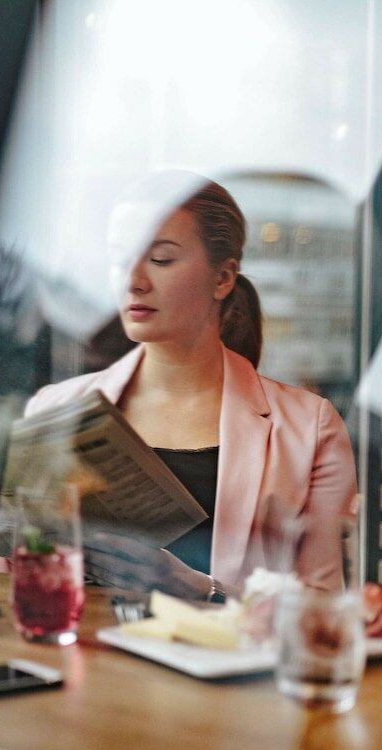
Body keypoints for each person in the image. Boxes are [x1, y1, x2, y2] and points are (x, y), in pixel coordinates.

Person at [26, 171, 358, 601]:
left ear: (223, 278)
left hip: (222, 664)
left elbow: (322, 605)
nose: (133, 281)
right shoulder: (53, 409)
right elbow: (13, 572)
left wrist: (196, 587)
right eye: (119, 259)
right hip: (81, 657)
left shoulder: (310, 428)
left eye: (160, 260)